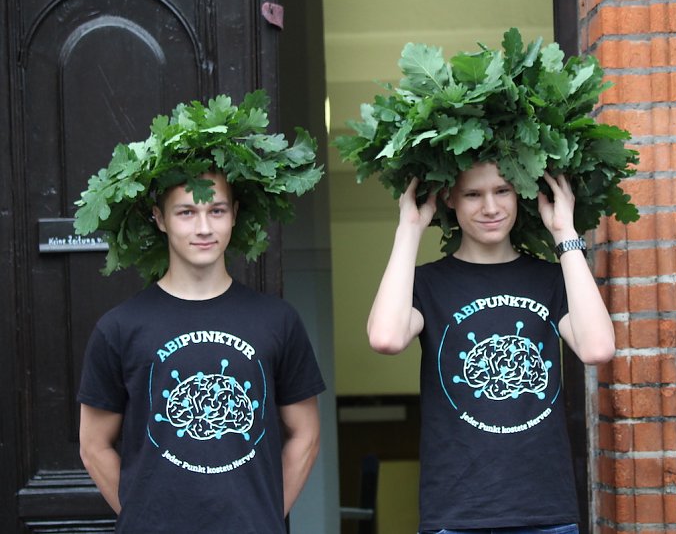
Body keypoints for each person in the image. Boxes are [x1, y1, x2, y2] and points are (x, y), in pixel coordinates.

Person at [368, 161, 615, 533]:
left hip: (545, 513)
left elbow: (597, 349)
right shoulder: (428, 285)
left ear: (520, 193)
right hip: (456, 514)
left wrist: (565, 233)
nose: (490, 207)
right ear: (449, 197)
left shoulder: (552, 279)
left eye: (502, 191)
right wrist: (409, 229)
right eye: (473, 194)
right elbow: (385, 338)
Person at [78, 172, 326, 533]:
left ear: (234, 214)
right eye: (186, 213)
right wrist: (143, 520)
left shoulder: (277, 320)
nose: (204, 227)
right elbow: (93, 445)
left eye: (217, 210)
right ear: (160, 218)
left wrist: (264, 519)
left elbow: (307, 435)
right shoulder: (120, 327)